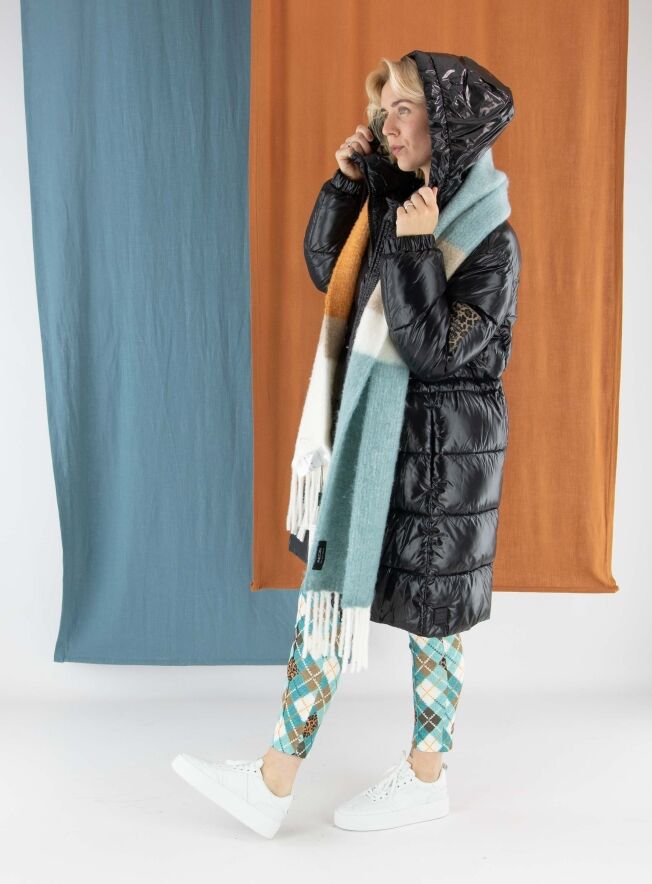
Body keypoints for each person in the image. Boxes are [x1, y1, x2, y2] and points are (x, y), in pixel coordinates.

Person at [172, 50, 521, 839]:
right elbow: (330, 271)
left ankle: (424, 777)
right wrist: (345, 188)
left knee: (434, 623)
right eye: (383, 108)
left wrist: (418, 247)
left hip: (442, 456)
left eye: (403, 109)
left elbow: (432, 349)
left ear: (448, 125)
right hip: (381, 440)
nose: (385, 124)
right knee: (327, 596)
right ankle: (274, 779)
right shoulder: (395, 206)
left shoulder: (489, 241)